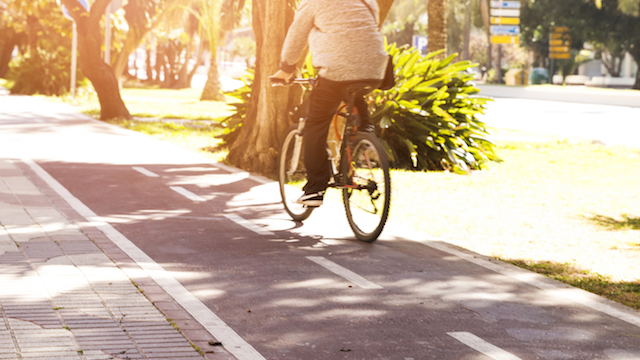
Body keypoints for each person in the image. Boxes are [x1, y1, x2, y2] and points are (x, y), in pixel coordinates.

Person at [269, 0, 388, 207]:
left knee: (315, 124)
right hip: (376, 69)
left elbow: (297, 35)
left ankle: (315, 188)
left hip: (335, 71)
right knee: (355, 90)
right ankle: (365, 134)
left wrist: (286, 68)